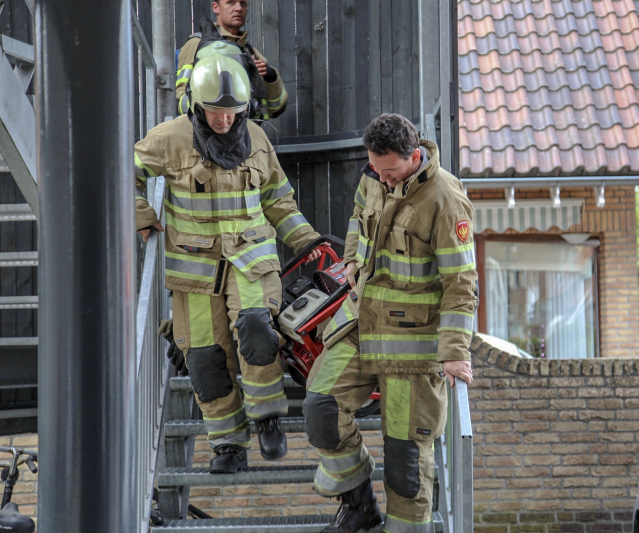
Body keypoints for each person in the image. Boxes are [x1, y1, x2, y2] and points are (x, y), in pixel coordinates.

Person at [135, 53, 321, 473]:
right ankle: (228, 446)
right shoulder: (169, 137)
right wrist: (142, 216)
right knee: (204, 359)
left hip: (251, 263)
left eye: (232, 113)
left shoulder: (256, 137)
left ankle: (268, 418)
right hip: (194, 275)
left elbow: (277, 198)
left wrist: (307, 242)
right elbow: (125, 172)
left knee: (257, 329)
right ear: (197, 106)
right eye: (215, 113)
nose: (224, 121)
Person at [303, 114, 477, 533]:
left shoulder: (445, 199)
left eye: (389, 170)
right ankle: (359, 505)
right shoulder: (372, 178)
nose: (380, 179)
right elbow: (356, 222)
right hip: (360, 325)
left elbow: (461, 282)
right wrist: (349, 262)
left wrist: (454, 353)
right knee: (321, 407)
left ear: (414, 156)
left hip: (413, 347)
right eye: (375, 168)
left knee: (405, 460)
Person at [175, 0, 287, 120]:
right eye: (231, 2)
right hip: (211, 134)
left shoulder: (250, 52)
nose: (239, 8)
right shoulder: (197, 45)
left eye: (243, 3)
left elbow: (275, 108)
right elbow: (181, 101)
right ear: (216, 7)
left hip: (248, 133)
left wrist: (271, 76)